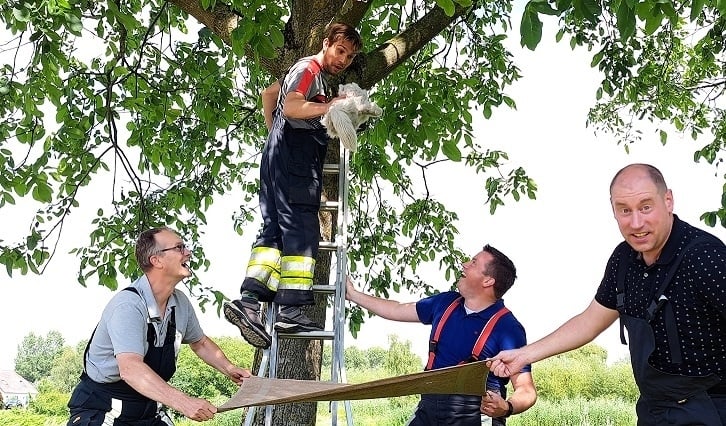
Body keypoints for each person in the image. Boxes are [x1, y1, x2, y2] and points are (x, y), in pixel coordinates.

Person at [488, 163, 726, 425]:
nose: (636, 223)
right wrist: (523, 355)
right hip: (654, 411)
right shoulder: (623, 259)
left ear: (668, 200)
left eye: (646, 207)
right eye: (624, 210)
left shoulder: (705, 256)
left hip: (711, 409)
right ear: (613, 209)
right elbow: (589, 322)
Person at [223, 22, 363, 349]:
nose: (343, 59)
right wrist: (330, 107)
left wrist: (275, 135)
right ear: (326, 43)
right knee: (301, 226)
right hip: (295, 159)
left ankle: (249, 301)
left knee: (274, 229)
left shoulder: (300, 72)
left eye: (349, 56)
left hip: (279, 155)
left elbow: (269, 95)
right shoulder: (308, 69)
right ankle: (291, 306)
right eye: (340, 50)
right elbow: (290, 106)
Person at [66, 227, 251, 425]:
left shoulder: (180, 303)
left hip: (148, 408)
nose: (188, 252)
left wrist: (230, 369)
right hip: (104, 409)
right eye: (179, 248)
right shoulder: (128, 305)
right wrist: (185, 403)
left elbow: (201, 343)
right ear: (157, 260)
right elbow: (130, 369)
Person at [345, 245, 537, 425]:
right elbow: (396, 309)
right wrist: (353, 294)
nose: (464, 264)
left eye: (473, 262)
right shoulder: (445, 303)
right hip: (428, 405)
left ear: (488, 281)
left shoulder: (508, 328)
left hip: (476, 415)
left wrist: (506, 407)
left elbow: (526, 391)